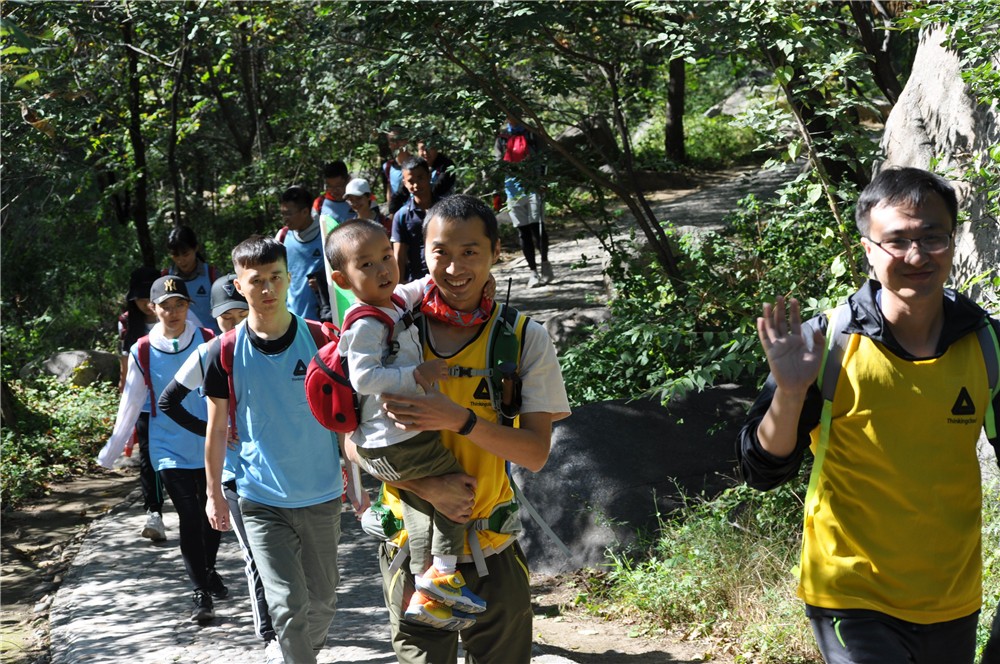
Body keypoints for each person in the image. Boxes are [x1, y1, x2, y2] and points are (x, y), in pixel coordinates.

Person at [736, 167, 1000, 664]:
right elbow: (761, 470)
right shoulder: (824, 343)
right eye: (897, 241)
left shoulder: (987, 344)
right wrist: (791, 392)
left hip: (951, 594)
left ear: (953, 240)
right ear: (868, 251)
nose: (917, 256)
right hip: (848, 590)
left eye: (932, 238)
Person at [351, 194, 571, 661]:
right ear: (420, 252)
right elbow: (352, 445)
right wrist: (429, 486)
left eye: (470, 252)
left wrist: (460, 420)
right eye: (441, 252)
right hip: (412, 552)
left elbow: (534, 453)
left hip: (494, 551)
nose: (454, 268)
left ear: (495, 251)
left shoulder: (522, 338)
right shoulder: (385, 322)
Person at [326, 220, 489, 629]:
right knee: (456, 486)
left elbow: (418, 286)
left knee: (423, 504)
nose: (383, 269)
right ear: (343, 279)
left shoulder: (391, 302)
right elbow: (363, 377)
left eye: (386, 257)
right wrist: (416, 374)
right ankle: (445, 572)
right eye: (367, 264)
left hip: (390, 436)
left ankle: (422, 587)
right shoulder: (364, 322)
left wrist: (462, 277)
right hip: (395, 436)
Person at [203, 236, 354, 663]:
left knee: (322, 602)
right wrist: (214, 493)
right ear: (239, 284)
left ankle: (302, 653)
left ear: (289, 279)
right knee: (287, 607)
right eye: (257, 281)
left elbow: (345, 421)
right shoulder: (224, 352)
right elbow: (215, 430)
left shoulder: (323, 339)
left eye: (275, 278)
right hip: (260, 498)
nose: (267, 290)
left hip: (322, 494)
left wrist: (357, 482)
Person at [158, 275, 282, 663]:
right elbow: (167, 402)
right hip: (236, 475)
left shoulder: (274, 346)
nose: (234, 322)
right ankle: (270, 635)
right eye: (225, 317)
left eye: (240, 314)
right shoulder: (210, 352)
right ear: (213, 318)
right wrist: (215, 429)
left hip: (281, 469)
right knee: (257, 556)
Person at [97, 276, 225, 623]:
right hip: (167, 445)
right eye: (165, 305)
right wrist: (112, 450)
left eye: (179, 304)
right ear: (153, 308)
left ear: (189, 307)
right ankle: (200, 591)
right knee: (189, 516)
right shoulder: (142, 349)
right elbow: (132, 401)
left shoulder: (208, 339)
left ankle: (209, 567)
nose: (172, 311)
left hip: (208, 442)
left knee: (211, 513)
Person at [117, 266, 167, 542]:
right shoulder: (127, 323)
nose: (146, 303)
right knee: (148, 459)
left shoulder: (176, 312)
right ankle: (154, 513)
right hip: (145, 403)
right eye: (140, 298)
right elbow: (125, 365)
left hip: (181, 400)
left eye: (150, 295)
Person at [495, 115, 552, 288]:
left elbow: (545, 157)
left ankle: (545, 264)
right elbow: (498, 163)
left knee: (538, 228)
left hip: (534, 186)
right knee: (523, 231)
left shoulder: (532, 133)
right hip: (513, 190)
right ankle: (533, 272)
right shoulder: (502, 137)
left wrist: (543, 180)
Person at [277, 185, 330, 322]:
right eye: (282, 214)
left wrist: (324, 285)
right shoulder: (283, 236)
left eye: (288, 214)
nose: (285, 219)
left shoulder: (326, 235)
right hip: (292, 320)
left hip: (323, 321)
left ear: (305, 212)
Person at [164, 225, 220, 332]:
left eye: (185, 254)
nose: (181, 260)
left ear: (196, 248)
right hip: (180, 344)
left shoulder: (212, 275)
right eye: (176, 255)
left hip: (213, 342)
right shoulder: (165, 278)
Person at [391, 156, 438, 284]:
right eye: (411, 181)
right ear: (405, 183)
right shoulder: (402, 216)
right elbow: (399, 256)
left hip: (445, 276)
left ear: (429, 176)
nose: (416, 185)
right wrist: (399, 287)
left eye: (420, 178)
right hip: (418, 283)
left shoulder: (445, 209)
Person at [311, 161, 355, 234]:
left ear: (347, 180)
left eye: (338, 186)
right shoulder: (319, 203)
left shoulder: (359, 200)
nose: (334, 191)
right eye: (330, 186)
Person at [381, 125, 414, 216]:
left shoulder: (417, 164)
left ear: (406, 140)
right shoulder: (387, 167)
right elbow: (389, 190)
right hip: (398, 214)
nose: (396, 144)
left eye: (399, 139)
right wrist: (391, 211)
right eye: (392, 141)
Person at [418, 135, 456, 199]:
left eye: (430, 148)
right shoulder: (415, 166)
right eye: (422, 148)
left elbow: (439, 188)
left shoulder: (447, 165)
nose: (425, 153)